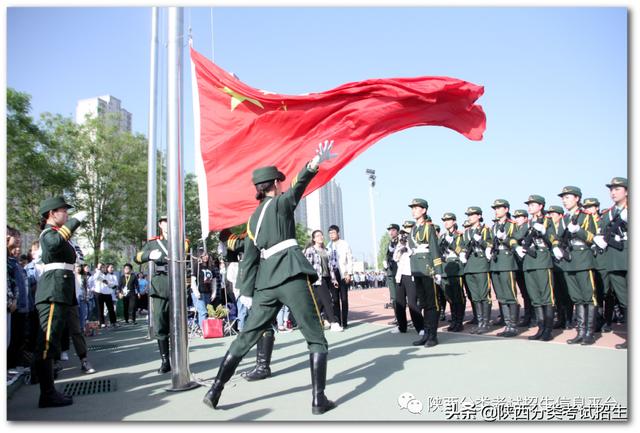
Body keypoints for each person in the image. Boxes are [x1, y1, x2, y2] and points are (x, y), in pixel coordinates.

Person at [202, 140, 337, 415]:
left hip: (265, 284)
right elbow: (298, 186)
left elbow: (250, 256)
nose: (283, 186)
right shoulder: (281, 203)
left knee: (244, 338)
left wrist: (247, 290)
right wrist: (313, 163)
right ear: (275, 184)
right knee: (315, 338)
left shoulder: (252, 220)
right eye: (280, 182)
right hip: (290, 274)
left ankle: (215, 389)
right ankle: (318, 400)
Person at [33, 196, 87, 407]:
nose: (67, 214)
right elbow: (54, 245)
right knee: (46, 343)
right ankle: (47, 394)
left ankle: (49, 391)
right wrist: (75, 223)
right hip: (53, 293)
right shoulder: (48, 233)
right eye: (63, 211)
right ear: (51, 214)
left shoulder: (58, 234)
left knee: (51, 342)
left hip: (60, 293)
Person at [135, 215, 183, 374]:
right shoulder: (154, 243)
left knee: (178, 324)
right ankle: (165, 361)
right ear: (160, 225)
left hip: (176, 283)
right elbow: (137, 257)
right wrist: (150, 255)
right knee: (161, 324)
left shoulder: (181, 239)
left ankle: (179, 358)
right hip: (161, 285)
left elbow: (186, 250)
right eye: (165, 222)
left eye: (171, 221)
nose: (168, 224)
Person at [555, 186, 598, 346]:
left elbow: (594, 237)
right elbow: (558, 237)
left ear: (577, 198)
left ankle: (589, 333)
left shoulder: (587, 215)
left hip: (583, 259)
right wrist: (556, 246)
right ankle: (580, 331)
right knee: (577, 298)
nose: (564, 200)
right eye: (563, 198)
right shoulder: (564, 219)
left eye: (567, 197)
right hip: (569, 260)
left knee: (589, 296)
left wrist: (579, 230)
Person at [514, 195, 556, 342]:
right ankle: (541, 328)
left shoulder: (548, 221)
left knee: (546, 297)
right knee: (536, 298)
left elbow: (555, 239)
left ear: (541, 206)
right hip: (529, 263)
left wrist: (545, 232)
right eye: (529, 205)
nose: (530, 207)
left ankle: (548, 331)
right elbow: (515, 236)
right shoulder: (528, 223)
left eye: (533, 204)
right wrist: (516, 246)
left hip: (543, 261)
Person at [594, 177, 628, 349]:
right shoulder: (608, 213)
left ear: (627, 191)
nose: (613, 192)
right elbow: (600, 230)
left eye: (617, 189)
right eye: (611, 189)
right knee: (624, 300)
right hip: (614, 261)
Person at [407, 199, 443, 347]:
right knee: (423, 303)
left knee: (432, 304)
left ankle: (433, 336)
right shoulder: (414, 229)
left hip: (429, 270)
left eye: (417, 208)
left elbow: (435, 250)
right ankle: (426, 333)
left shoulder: (429, 228)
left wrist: (438, 271)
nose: (414, 210)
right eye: (413, 208)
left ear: (424, 210)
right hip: (417, 269)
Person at [488, 199, 520, 338]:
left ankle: (513, 326)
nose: (496, 210)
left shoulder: (512, 225)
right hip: (495, 262)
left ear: (506, 209)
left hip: (507, 261)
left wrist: (505, 238)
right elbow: (489, 240)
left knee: (510, 295)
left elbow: (516, 239)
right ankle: (507, 324)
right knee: (501, 295)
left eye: (499, 208)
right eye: (495, 208)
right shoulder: (494, 226)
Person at [459, 206, 493, 335]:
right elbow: (462, 246)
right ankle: (480, 323)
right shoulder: (466, 232)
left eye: (472, 215)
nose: (470, 217)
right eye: (469, 215)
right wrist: (462, 253)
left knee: (484, 295)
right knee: (475, 297)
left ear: (479, 216)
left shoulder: (485, 229)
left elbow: (490, 244)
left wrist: (482, 242)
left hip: (481, 265)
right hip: (469, 266)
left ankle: (485, 323)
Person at [390, 220, 424, 335]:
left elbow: (416, 252)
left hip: (411, 274)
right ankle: (402, 326)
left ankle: (420, 327)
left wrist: (408, 247)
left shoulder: (415, 239)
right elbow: (395, 258)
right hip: (401, 275)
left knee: (412, 303)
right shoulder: (401, 242)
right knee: (399, 303)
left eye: (407, 229)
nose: (405, 233)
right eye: (404, 230)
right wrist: (401, 246)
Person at [304, 229, 342, 331]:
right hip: (317, 279)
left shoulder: (326, 250)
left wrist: (334, 280)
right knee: (328, 300)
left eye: (321, 235)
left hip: (327, 278)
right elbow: (306, 266)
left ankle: (323, 320)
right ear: (314, 239)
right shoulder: (310, 250)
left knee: (320, 301)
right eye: (317, 236)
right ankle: (333, 322)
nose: (320, 237)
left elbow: (331, 267)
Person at [546, 205, 573, 330]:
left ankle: (569, 319)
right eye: (549, 214)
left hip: (565, 262)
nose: (550, 216)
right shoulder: (549, 228)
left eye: (553, 214)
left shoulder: (565, 225)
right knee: (557, 293)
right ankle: (561, 318)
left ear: (560, 215)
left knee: (567, 292)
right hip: (553, 262)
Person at [439, 213, 466, 332]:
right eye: (444, 220)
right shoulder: (442, 236)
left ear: (454, 221)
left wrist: (451, 244)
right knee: (450, 297)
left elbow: (463, 250)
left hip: (456, 268)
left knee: (458, 296)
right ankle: (454, 320)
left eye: (448, 220)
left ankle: (459, 322)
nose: (446, 222)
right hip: (445, 268)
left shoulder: (460, 235)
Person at [327, 224, 353, 329]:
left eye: (333, 233)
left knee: (344, 299)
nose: (331, 235)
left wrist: (349, 273)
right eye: (329, 233)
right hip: (333, 275)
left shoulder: (344, 244)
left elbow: (350, 259)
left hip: (343, 274)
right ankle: (337, 321)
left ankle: (345, 321)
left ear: (338, 233)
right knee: (335, 299)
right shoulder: (328, 246)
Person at [512, 209, 534, 327]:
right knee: (525, 293)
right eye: (516, 217)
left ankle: (531, 317)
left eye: (520, 217)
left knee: (530, 292)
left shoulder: (526, 227)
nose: (517, 219)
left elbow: (515, 237)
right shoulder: (518, 228)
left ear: (525, 218)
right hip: (519, 264)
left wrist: (511, 239)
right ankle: (528, 315)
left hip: (527, 263)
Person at [91, 263, 117, 328]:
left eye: (104, 267)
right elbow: (95, 278)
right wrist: (99, 270)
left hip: (108, 293)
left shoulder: (110, 275)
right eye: (101, 267)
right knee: (100, 308)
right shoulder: (97, 274)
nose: (103, 269)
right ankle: (101, 322)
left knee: (111, 308)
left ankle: (113, 322)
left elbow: (114, 285)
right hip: (99, 293)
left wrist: (107, 282)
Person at [383, 224, 400, 316]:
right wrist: (385, 261)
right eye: (390, 230)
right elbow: (387, 255)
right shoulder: (389, 243)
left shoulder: (400, 241)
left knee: (401, 296)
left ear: (397, 231)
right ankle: (397, 317)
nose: (391, 232)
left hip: (398, 271)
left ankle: (403, 319)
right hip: (390, 271)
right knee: (393, 297)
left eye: (393, 230)